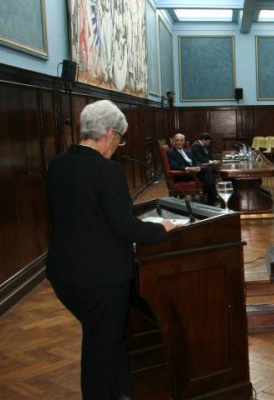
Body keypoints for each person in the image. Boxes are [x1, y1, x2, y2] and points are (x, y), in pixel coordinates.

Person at [46, 100, 176, 400]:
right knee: (99, 347)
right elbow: (125, 227)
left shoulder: (58, 165)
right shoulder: (108, 171)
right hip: (101, 278)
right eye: (118, 138)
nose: (117, 145)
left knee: (108, 336)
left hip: (64, 274)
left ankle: (122, 392)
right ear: (107, 133)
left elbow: (81, 216)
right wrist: (162, 229)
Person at [168, 133, 218, 205]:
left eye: (181, 140)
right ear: (173, 141)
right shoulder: (171, 152)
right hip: (184, 174)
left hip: (195, 172)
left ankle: (210, 196)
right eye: (177, 140)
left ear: (184, 141)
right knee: (210, 173)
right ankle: (211, 198)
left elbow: (196, 162)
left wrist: (198, 167)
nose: (179, 142)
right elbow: (174, 166)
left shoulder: (188, 151)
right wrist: (188, 168)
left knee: (209, 170)